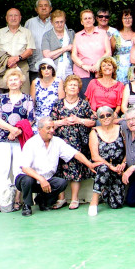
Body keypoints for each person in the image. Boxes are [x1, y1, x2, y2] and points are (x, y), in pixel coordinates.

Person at [14, 117, 99, 216]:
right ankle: (27, 205)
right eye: (48, 128)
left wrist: (89, 164)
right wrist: (41, 179)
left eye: (53, 128)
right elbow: (25, 168)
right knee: (28, 180)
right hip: (28, 179)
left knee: (61, 183)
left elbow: (75, 153)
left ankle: (42, 200)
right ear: (39, 130)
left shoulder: (57, 142)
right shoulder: (31, 143)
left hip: (46, 180)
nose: (52, 131)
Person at [0, 68, 35, 213]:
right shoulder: (0, 98)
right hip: (2, 139)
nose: (13, 82)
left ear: (21, 82)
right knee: (2, 170)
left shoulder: (27, 99)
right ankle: (3, 200)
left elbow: (30, 119)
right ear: (7, 82)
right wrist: (11, 129)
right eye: (11, 80)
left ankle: (17, 200)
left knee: (18, 170)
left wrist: (17, 132)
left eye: (16, 79)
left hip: (20, 140)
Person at [50, 75, 96, 210]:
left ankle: (75, 199)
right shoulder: (58, 104)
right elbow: (51, 122)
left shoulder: (84, 104)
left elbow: (92, 120)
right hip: (60, 141)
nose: (72, 87)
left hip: (78, 142)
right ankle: (61, 198)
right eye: (70, 85)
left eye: (75, 85)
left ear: (78, 89)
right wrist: (62, 122)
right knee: (59, 169)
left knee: (76, 170)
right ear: (65, 88)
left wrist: (79, 120)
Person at [87, 107, 126, 216]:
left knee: (116, 204)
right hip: (102, 166)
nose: (106, 118)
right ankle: (94, 201)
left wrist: (123, 164)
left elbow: (129, 151)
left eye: (108, 115)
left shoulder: (121, 129)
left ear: (113, 115)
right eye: (102, 116)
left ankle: (105, 191)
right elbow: (95, 156)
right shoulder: (94, 132)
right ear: (99, 118)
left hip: (118, 168)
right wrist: (110, 166)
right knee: (104, 169)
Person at [0, 8, 35, 94]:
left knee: (24, 94)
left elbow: (30, 50)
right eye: (11, 16)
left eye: (16, 15)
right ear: (6, 18)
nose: (13, 18)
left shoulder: (27, 32)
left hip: (22, 67)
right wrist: (7, 61)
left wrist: (17, 58)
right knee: (4, 94)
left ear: (20, 18)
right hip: (4, 68)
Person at [71, 9, 112, 92]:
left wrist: (98, 64)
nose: (88, 20)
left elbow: (108, 52)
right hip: (82, 73)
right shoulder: (77, 36)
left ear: (93, 20)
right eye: (85, 19)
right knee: (84, 98)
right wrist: (83, 66)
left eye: (90, 18)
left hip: (100, 71)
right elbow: (73, 55)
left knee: (100, 97)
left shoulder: (103, 33)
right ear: (81, 22)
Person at [25, 0, 53, 82]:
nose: (43, 8)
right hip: (34, 67)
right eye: (40, 6)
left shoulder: (57, 22)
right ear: (36, 9)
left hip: (53, 66)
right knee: (35, 92)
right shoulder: (30, 23)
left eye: (46, 6)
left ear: (50, 9)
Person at [113, 8, 135, 82]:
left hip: (134, 69)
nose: (127, 20)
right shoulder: (115, 35)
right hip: (118, 71)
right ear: (121, 20)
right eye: (125, 18)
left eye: (130, 18)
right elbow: (111, 53)